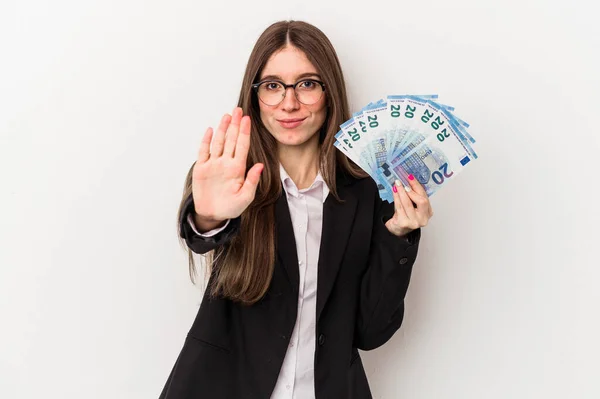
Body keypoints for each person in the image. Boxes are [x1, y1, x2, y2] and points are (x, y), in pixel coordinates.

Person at [160, 20, 433, 399]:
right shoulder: (229, 178)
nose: (289, 103)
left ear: (329, 92)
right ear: (255, 96)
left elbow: (370, 333)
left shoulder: (366, 193)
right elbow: (201, 233)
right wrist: (209, 218)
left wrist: (399, 237)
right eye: (273, 86)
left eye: (307, 84)